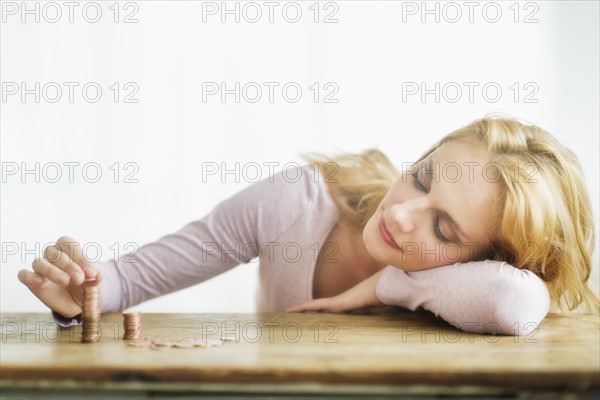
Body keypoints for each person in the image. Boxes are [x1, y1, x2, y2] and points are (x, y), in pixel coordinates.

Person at [18, 115, 599, 336]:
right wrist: (80, 288)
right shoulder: (294, 203)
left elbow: (508, 302)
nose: (399, 215)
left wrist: (383, 286)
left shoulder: (496, 288)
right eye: (421, 179)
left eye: (444, 230)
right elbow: (124, 281)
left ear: (491, 259)